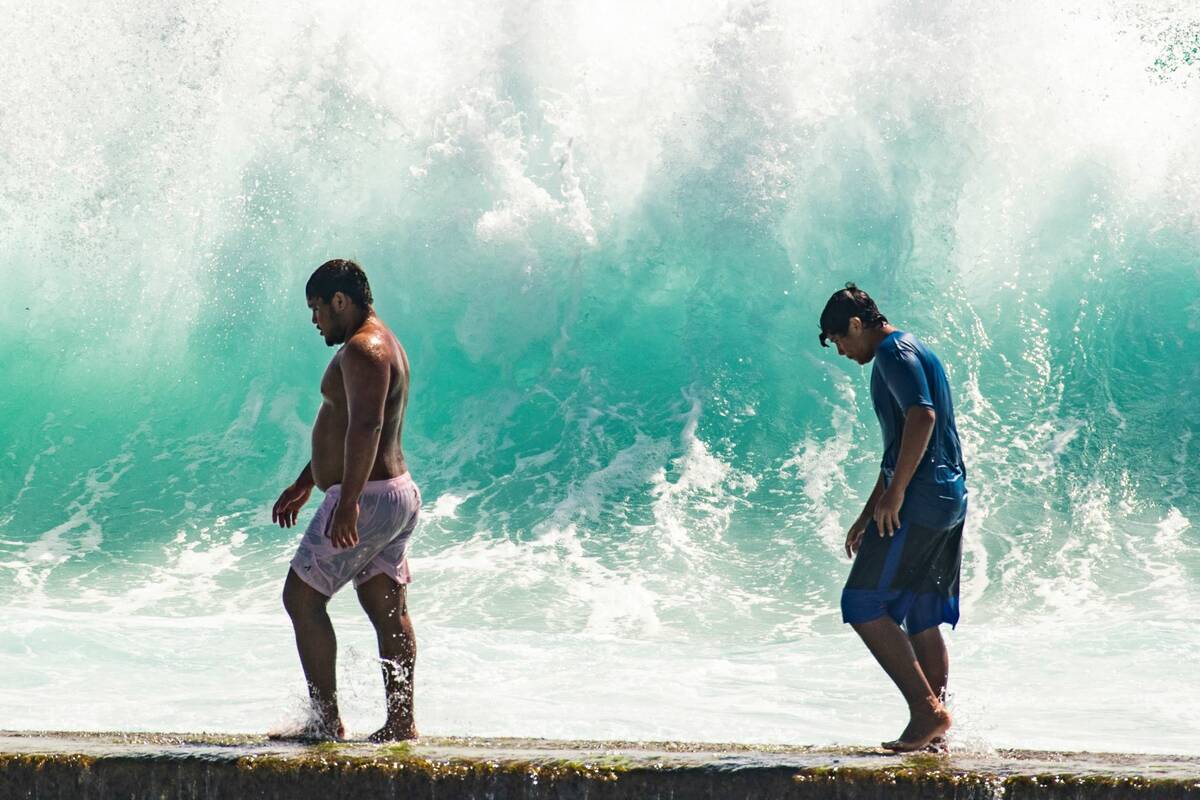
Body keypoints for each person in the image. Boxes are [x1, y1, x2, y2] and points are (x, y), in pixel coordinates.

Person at [270, 259, 421, 742]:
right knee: (385, 608)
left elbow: (366, 427)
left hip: (369, 496)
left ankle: (326, 722)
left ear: (341, 301)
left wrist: (348, 501)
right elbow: (341, 425)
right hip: (391, 495)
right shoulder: (381, 344)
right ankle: (400, 724)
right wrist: (307, 480)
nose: (315, 321)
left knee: (301, 598)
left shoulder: (365, 350)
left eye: (317, 309)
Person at [819, 283, 968, 752]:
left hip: (920, 500)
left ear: (858, 325)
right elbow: (901, 443)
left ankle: (927, 711)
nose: (841, 350)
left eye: (840, 339)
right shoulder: (915, 348)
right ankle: (935, 735)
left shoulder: (891, 354)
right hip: (947, 497)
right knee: (922, 614)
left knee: (863, 604)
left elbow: (921, 418)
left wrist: (898, 492)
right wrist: (871, 510)